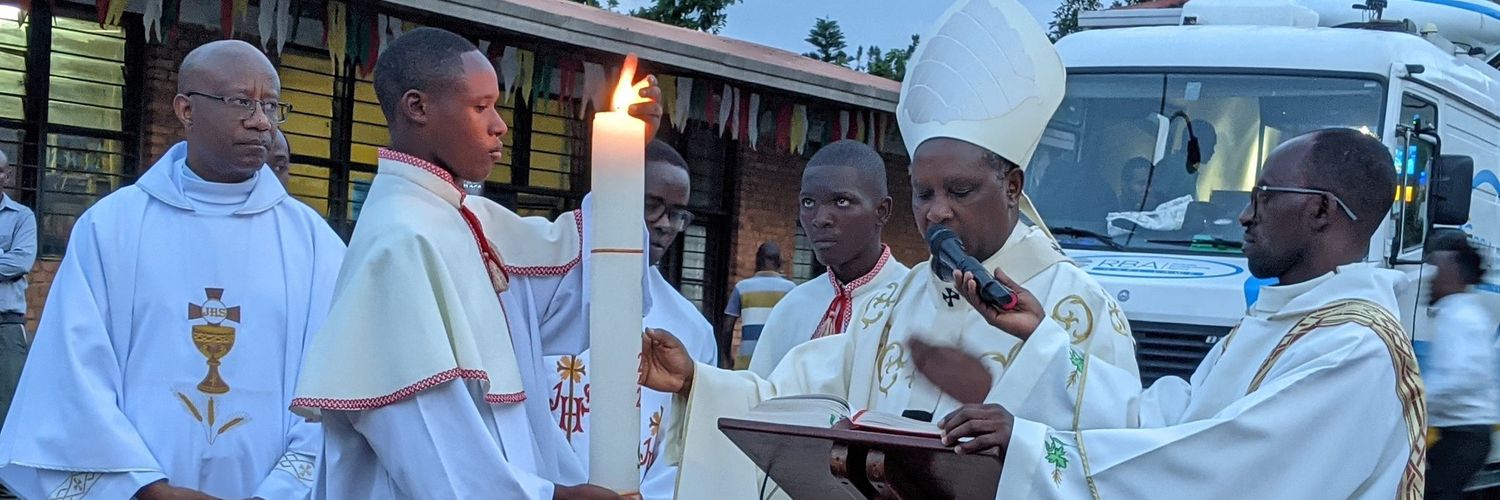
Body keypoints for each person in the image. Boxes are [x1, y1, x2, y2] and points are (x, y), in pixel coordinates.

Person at [639, 1, 1137, 497]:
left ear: (1012, 187)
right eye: (924, 194)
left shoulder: (1079, 309)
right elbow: (789, 401)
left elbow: (1122, 452)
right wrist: (697, 382)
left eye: (959, 191)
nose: (937, 212)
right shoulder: (890, 306)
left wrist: (1023, 442)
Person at [925, 128, 1423, 499]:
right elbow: (1169, 419)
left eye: (1264, 197)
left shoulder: (1355, 349)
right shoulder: (1284, 319)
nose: (1245, 216)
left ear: (1321, 211)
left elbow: (1222, 472)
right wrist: (1045, 340)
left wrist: (1038, 449)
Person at [291, 27, 660, 500]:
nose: (500, 125)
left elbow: (576, 293)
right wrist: (550, 497)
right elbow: (422, 435)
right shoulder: (401, 240)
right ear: (417, 107)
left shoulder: (465, 219)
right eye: (480, 106)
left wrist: (623, 166)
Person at [0, 40, 344, 500]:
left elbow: (336, 390)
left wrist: (281, 491)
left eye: (272, 105)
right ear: (185, 109)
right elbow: (73, 374)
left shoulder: (314, 243)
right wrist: (144, 487)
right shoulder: (112, 227)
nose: (261, 121)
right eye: (242, 102)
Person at [544, 140, 718, 500]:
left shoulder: (692, 327)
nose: (666, 225)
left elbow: (686, 445)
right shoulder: (549, 297)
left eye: (678, 213)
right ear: (611, 195)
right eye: (652, 206)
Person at [747, 140, 909, 377]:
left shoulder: (913, 302)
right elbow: (758, 400)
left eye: (841, 201)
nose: (820, 218)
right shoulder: (791, 308)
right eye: (808, 203)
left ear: (882, 211)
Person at [1422, 229, 1498, 500]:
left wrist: (1419, 400)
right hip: (1463, 435)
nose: (1429, 277)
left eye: (1435, 267)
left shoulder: (1460, 316)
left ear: (1452, 272)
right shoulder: (1462, 312)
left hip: (1463, 436)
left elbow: (1462, 375)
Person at [0, 150, 34, 440]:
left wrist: (8, 261)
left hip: (6, 325)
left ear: (7, 176)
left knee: (6, 406)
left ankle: (4, 483)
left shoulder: (22, 218)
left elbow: (20, 263)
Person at [721, 242, 796, 369]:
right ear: (779, 262)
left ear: (757, 261)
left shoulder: (741, 288)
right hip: (779, 363)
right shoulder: (791, 290)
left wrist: (727, 358)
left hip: (747, 362)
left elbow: (727, 328)